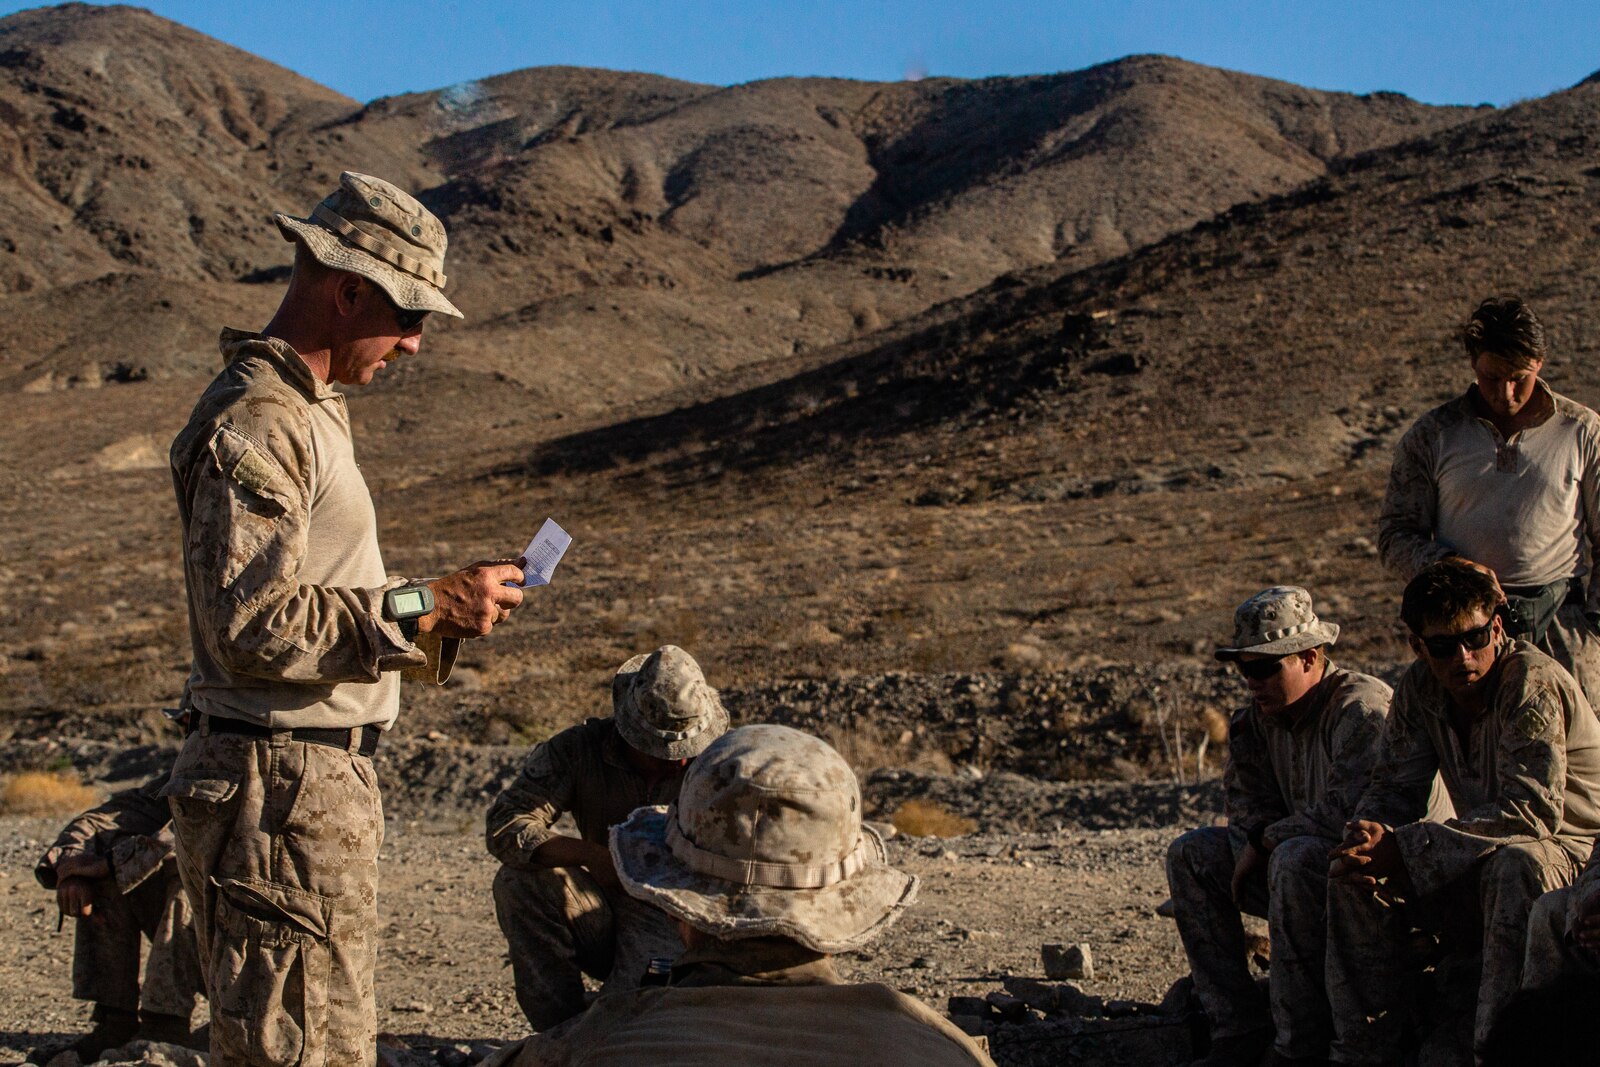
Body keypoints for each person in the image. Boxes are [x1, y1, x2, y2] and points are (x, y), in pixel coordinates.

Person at [161, 172, 525, 1066]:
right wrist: (425, 603)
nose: (413, 344)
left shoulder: (312, 411)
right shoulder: (260, 417)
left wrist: (435, 612)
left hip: (303, 789)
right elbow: (253, 624)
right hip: (275, 789)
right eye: (410, 316)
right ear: (347, 289)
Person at [484, 724, 995, 1067]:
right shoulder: (943, 1048)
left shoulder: (588, 1046)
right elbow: (508, 824)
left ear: (682, 905)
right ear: (844, 908)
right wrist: (595, 860)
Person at [1326, 559, 1600, 1063]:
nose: (1464, 657)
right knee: (1349, 872)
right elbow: (1393, 788)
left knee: (1517, 864)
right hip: (1480, 842)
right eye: (1444, 646)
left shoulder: (1530, 681)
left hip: (1574, 851)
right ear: (1419, 647)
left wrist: (1405, 849)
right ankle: (1365, 1047)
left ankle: (1492, 1049)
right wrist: (1371, 834)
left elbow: (1530, 813)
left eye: (1475, 638)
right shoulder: (1419, 689)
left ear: (1496, 626)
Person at [1166, 587, 1394, 1067]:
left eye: (1266, 667)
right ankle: (1237, 1030)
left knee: (1293, 859)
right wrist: (1256, 838)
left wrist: (1266, 840)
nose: (1252, 681)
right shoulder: (1258, 723)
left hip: (1377, 883)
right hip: (1302, 873)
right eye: (1244, 668)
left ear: (1310, 657)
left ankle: (1298, 1046)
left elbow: (1353, 811)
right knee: (1191, 854)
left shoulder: (1362, 709)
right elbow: (1247, 803)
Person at [485, 645, 729, 1030]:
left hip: (690, 922)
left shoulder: (722, 761)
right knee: (521, 882)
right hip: (605, 915)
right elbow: (507, 823)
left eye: (685, 749)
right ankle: (559, 1035)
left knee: (653, 1021)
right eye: (661, 750)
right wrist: (597, 858)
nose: (678, 760)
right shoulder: (578, 750)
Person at [1378, 295, 1600, 707]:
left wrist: (1594, 626)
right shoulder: (1434, 434)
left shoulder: (1581, 431)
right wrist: (1447, 566)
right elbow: (1394, 536)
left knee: (1577, 755)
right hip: (1461, 632)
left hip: (1561, 626)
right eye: (1491, 377)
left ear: (1540, 363)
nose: (1506, 392)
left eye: (1519, 377)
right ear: (1473, 364)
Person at [32, 770, 203, 1061]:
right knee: (106, 868)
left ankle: (165, 1026)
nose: (186, 724)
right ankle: (115, 1023)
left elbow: (192, 829)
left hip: (263, 952)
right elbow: (115, 815)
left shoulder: (256, 751)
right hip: (216, 945)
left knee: (188, 876)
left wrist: (112, 863)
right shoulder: (195, 759)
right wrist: (74, 864)